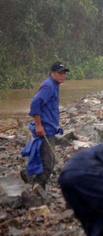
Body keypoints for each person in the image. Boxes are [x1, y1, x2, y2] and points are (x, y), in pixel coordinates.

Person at [21, 61, 68, 190]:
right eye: (59, 73)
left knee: (50, 160)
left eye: (64, 73)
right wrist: (39, 126)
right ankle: (37, 190)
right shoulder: (48, 86)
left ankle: (31, 179)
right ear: (52, 73)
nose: (62, 75)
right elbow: (35, 104)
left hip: (50, 129)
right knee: (48, 164)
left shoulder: (55, 85)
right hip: (44, 130)